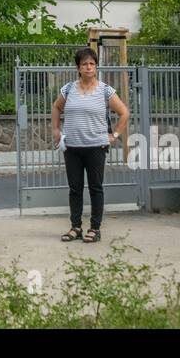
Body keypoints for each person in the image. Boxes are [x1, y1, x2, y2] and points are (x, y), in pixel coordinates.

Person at [52, 47, 129, 243]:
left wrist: (115, 134)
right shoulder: (68, 89)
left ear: (96, 67)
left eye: (92, 64)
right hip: (72, 148)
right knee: (75, 188)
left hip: (96, 147)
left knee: (96, 187)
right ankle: (75, 227)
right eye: (84, 64)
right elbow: (56, 107)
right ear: (78, 67)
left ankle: (95, 228)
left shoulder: (105, 90)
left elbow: (124, 113)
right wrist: (55, 129)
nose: (88, 67)